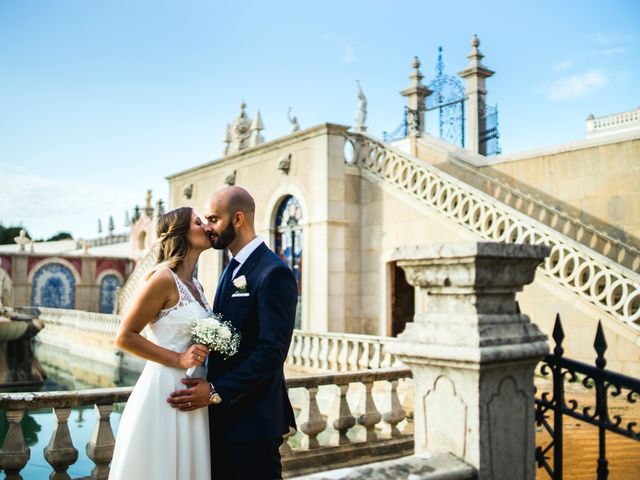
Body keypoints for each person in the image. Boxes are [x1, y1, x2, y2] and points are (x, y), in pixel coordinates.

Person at [168, 186, 298, 480]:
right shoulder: (231, 267)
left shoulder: (273, 272)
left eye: (214, 219)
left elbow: (272, 351)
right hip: (223, 420)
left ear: (237, 219)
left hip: (253, 422)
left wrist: (215, 392)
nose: (208, 228)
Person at [109, 207, 213, 480]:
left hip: (193, 389)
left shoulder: (197, 286)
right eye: (198, 222)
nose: (206, 226)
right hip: (165, 389)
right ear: (181, 234)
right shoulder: (163, 279)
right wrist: (178, 359)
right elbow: (125, 335)